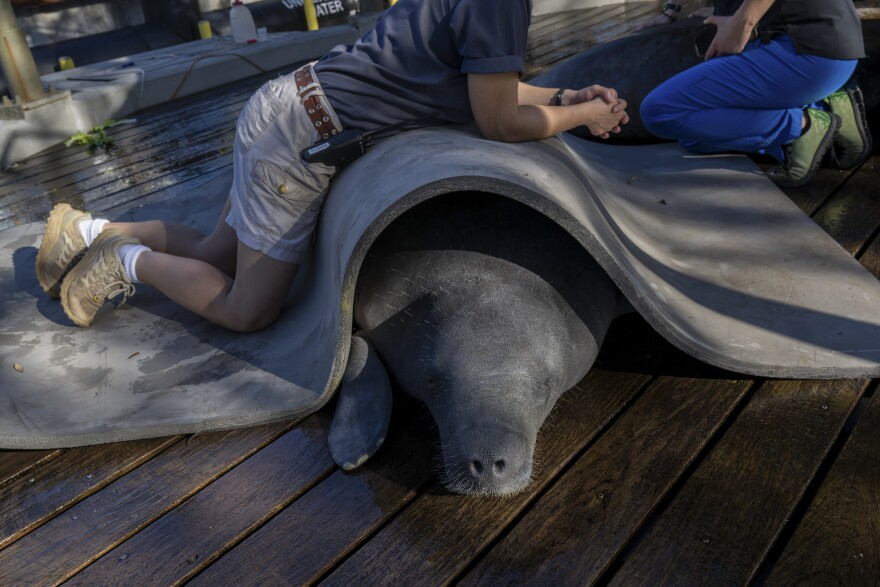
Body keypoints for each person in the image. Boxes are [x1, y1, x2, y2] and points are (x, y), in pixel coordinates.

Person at [35, 0, 629, 332]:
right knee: (249, 309)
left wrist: (561, 100)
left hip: (286, 106)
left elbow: (491, 89)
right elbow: (497, 121)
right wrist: (579, 120)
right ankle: (123, 261)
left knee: (216, 251)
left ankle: (83, 232)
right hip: (299, 138)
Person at [636, 0, 871, 187]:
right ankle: (829, 106)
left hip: (806, 51)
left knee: (660, 111)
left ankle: (802, 126)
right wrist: (672, 11)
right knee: (694, 138)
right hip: (838, 48)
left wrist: (743, 20)